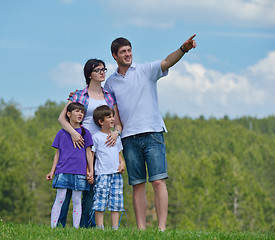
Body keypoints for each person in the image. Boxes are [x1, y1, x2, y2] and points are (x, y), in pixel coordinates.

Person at [104, 35, 197, 231]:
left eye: (129, 50)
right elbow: (105, 106)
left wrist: (183, 49)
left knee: (158, 182)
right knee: (137, 185)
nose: (128, 54)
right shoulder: (110, 83)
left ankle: (162, 229)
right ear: (115, 56)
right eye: (123, 52)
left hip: (153, 133)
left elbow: (167, 61)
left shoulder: (145, 70)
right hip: (128, 138)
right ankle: (141, 229)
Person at [58, 58, 124, 228]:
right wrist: (74, 134)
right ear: (89, 74)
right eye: (98, 70)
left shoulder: (109, 97)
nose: (102, 72)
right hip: (80, 146)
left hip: (103, 149)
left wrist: (116, 134)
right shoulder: (79, 95)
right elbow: (62, 118)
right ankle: (59, 224)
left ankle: (88, 226)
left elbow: (117, 123)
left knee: (93, 188)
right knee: (71, 187)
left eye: (104, 69)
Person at [46, 102, 94, 228]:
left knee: (77, 200)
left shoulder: (86, 133)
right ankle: (53, 227)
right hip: (63, 171)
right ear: (68, 113)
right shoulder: (61, 133)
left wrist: (91, 170)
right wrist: (52, 171)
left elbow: (89, 152)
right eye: (77, 111)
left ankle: (76, 228)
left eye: (82, 112)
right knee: (60, 198)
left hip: (80, 172)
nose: (80, 114)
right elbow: (57, 153)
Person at [91, 105, 125, 230]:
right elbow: (91, 154)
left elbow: (119, 155)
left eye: (113, 117)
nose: (113, 119)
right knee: (100, 201)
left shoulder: (116, 137)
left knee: (116, 201)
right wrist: (90, 171)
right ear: (100, 121)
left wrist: (123, 163)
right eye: (109, 117)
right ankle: (100, 227)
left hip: (116, 174)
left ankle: (115, 228)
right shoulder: (96, 137)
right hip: (102, 174)